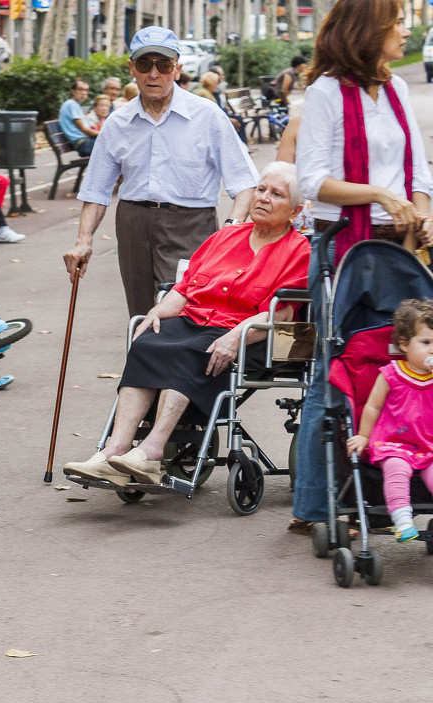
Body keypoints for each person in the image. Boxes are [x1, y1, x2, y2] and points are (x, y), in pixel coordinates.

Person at [62, 163, 310, 484]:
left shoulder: (297, 250)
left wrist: (235, 337)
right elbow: (185, 287)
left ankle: (151, 452)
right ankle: (114, 450)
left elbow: (283, 314)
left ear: (295, 210)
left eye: (276, 194)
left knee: (189, 350)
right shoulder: (226, 237)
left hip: (247, 332)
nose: (263, 198)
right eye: (261, 189)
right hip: (196, 321)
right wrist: (158, 312)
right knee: (147, 342)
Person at [290, 0, 433, 535]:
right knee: (336, 371)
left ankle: (396, 492)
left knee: (411, 366)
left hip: (398, 248)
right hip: (344, 247)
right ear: (368, 32)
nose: (404, 31)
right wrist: (378, 194)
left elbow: (419, 167)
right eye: (396, 23)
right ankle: (316, 505)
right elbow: (312, 180)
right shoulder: (326, 93)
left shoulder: (396, 90)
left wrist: (422, 211)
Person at [63, 25, 258, 318]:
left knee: (185, 314)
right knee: (140, 314)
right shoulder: (118, 123)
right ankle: (141, 362)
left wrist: (231, 226)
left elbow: (244, 181)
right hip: (133, 222)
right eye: (145, 64)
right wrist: (83, 242)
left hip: (192, 224)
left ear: (177, 69)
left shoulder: (207, 116)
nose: (153, 73)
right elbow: (96, 190)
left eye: (163, 64)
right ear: (132, 68)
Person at [346, 300, 433, 543]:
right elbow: (373, 406)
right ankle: (402, 521)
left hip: (428, 445)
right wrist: (364, 435)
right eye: (426, 343)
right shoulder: (392, 373)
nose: (432, 350)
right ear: (404, 344)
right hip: (394, 442)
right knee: (397, 470)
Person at [57, 79, 99, 156]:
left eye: (86, 90)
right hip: (82, 144)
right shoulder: (71, 104)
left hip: (85, 142)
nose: (84, 93)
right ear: (73, 91)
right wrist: (102, 134)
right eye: (81, 89)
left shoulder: (74, 105)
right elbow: (84, 129)